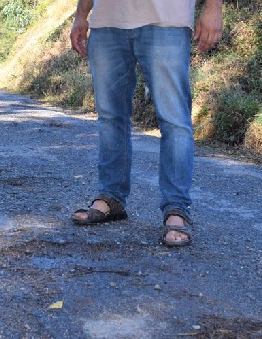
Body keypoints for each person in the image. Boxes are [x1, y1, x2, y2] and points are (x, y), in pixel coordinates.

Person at [70, 0, 223, 246]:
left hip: (167, 19)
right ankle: (111, 197)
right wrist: (81, 14)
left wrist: (214, 7)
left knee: (174, 120)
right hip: (107, 21)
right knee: (110, 118)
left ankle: (176, 208)